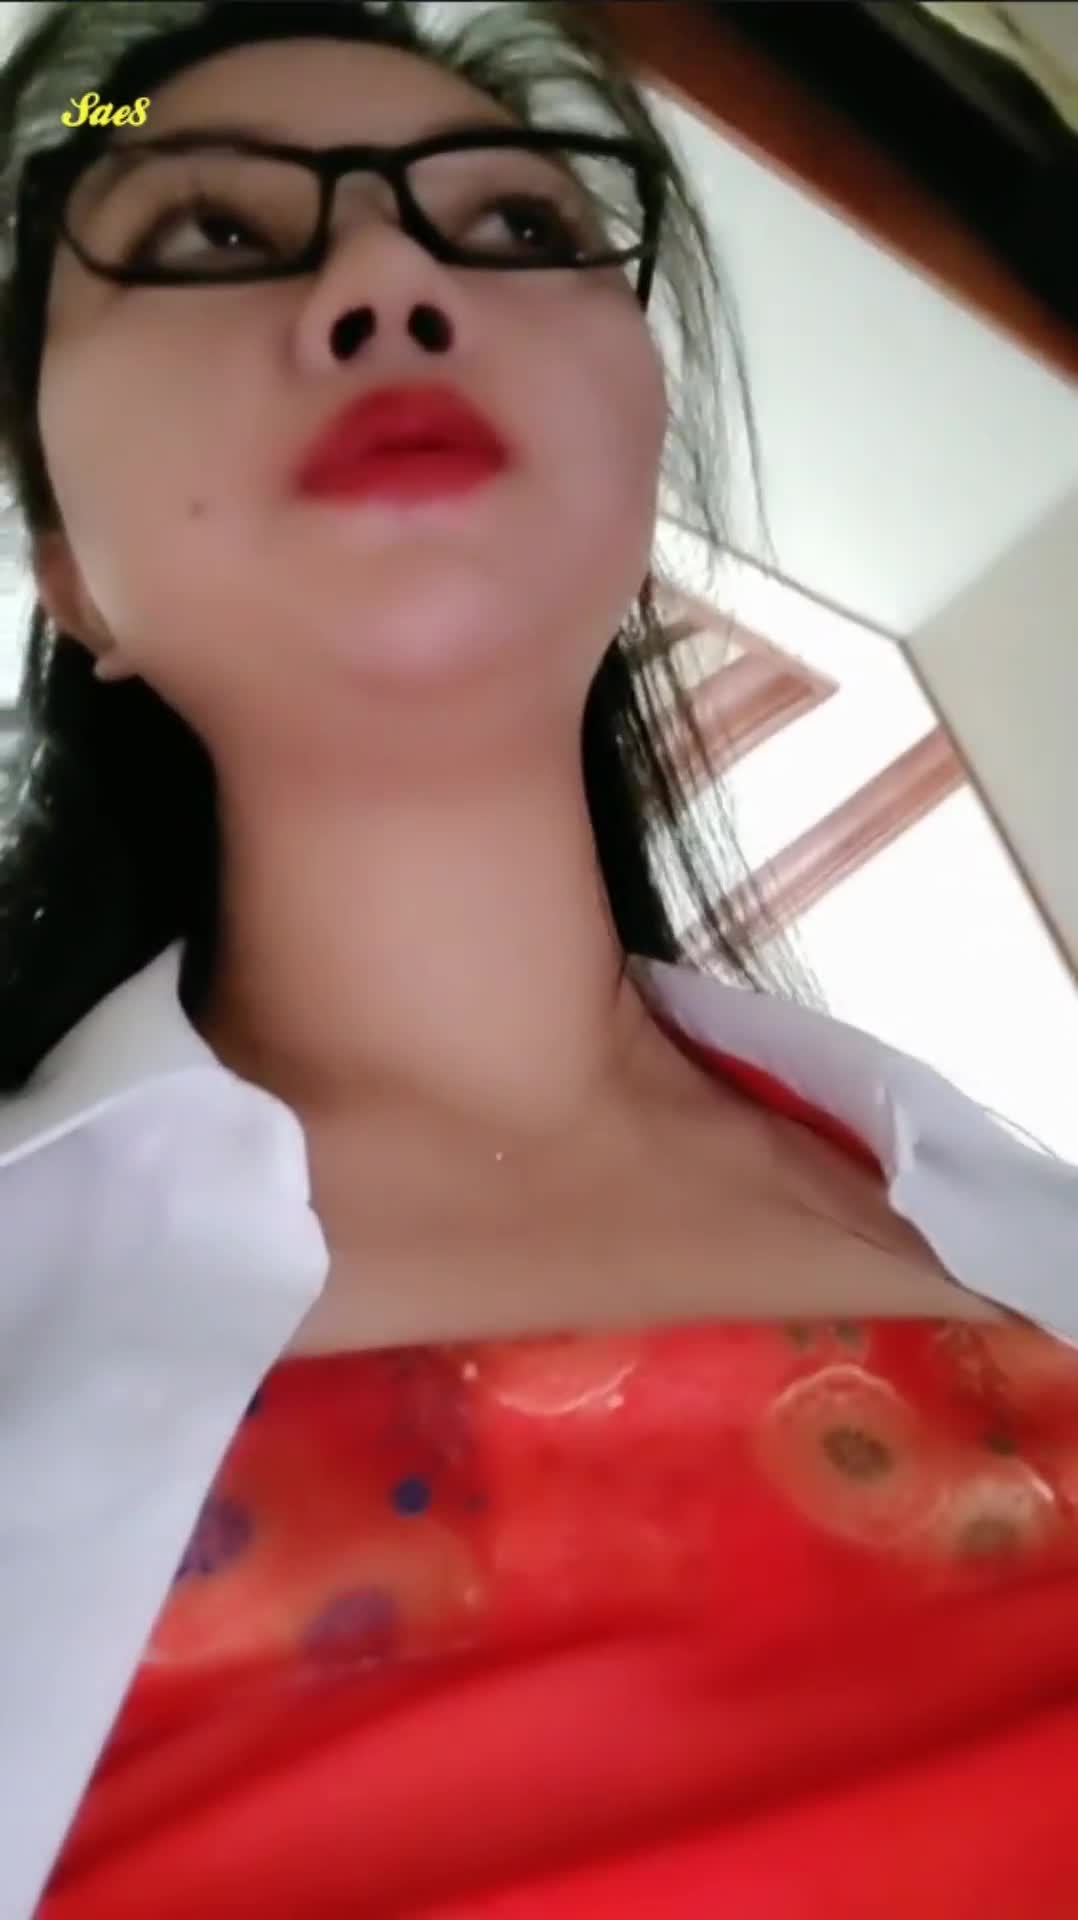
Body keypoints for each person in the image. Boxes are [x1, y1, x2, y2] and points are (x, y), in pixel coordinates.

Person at [0, 2, 1075, 1915]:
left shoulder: (1010, 1226)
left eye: (512, 226)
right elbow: (73, 111)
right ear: (67, 567)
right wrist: (92, 102)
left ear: (638, 462)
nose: (387, 281)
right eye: (210, 232)